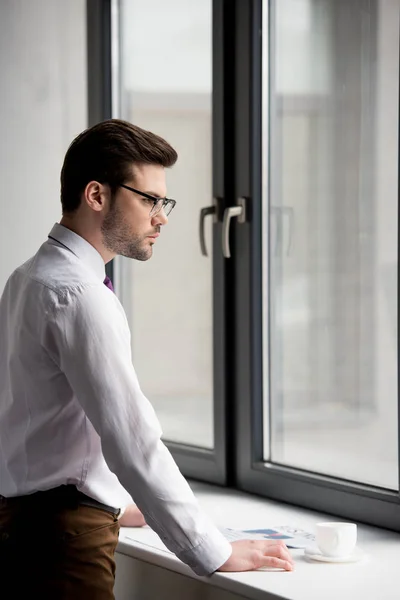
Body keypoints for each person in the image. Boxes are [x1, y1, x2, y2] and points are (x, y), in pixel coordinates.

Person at [0, 119, 294, 598]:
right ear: (97, 195)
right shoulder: (78, 295)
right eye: (149, 200)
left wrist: (118, 503)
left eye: (164, 202)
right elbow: (133, 442)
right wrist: (212, 550)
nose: (162, 217)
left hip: (25, 528)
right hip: (62, 544)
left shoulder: (27, 277)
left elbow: (41, 428)